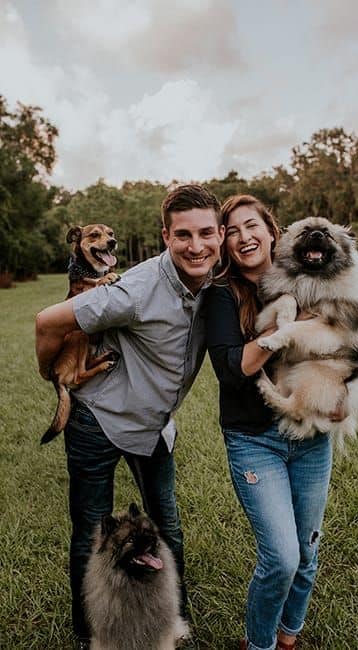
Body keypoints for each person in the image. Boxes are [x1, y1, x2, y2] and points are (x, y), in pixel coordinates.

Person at [35, 184, 224, 649]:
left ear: (220, 235)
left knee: (168, 526)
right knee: (90, 531)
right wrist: (52, 376)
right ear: (166, 236)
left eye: (205, 233)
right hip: (96, 421)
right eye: (183, 235)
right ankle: (89, 634)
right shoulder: (135, 288)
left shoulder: (219, 280)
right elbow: (47, 321)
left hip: (154, 426)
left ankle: (174, 625)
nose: (195, 246)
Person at [204, 195, 333, 650]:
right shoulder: (221, 295)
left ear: (271, 231)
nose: (244, 237)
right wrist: (286, 329)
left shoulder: (310, 281)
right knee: (282, 558)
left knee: (308, 552)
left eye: (251, 226)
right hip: (255, 441)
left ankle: (288, 638)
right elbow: (234, 368)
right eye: (233, 230)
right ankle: (258, 645)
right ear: (225, 242)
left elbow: (342, 345)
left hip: (312, 436)